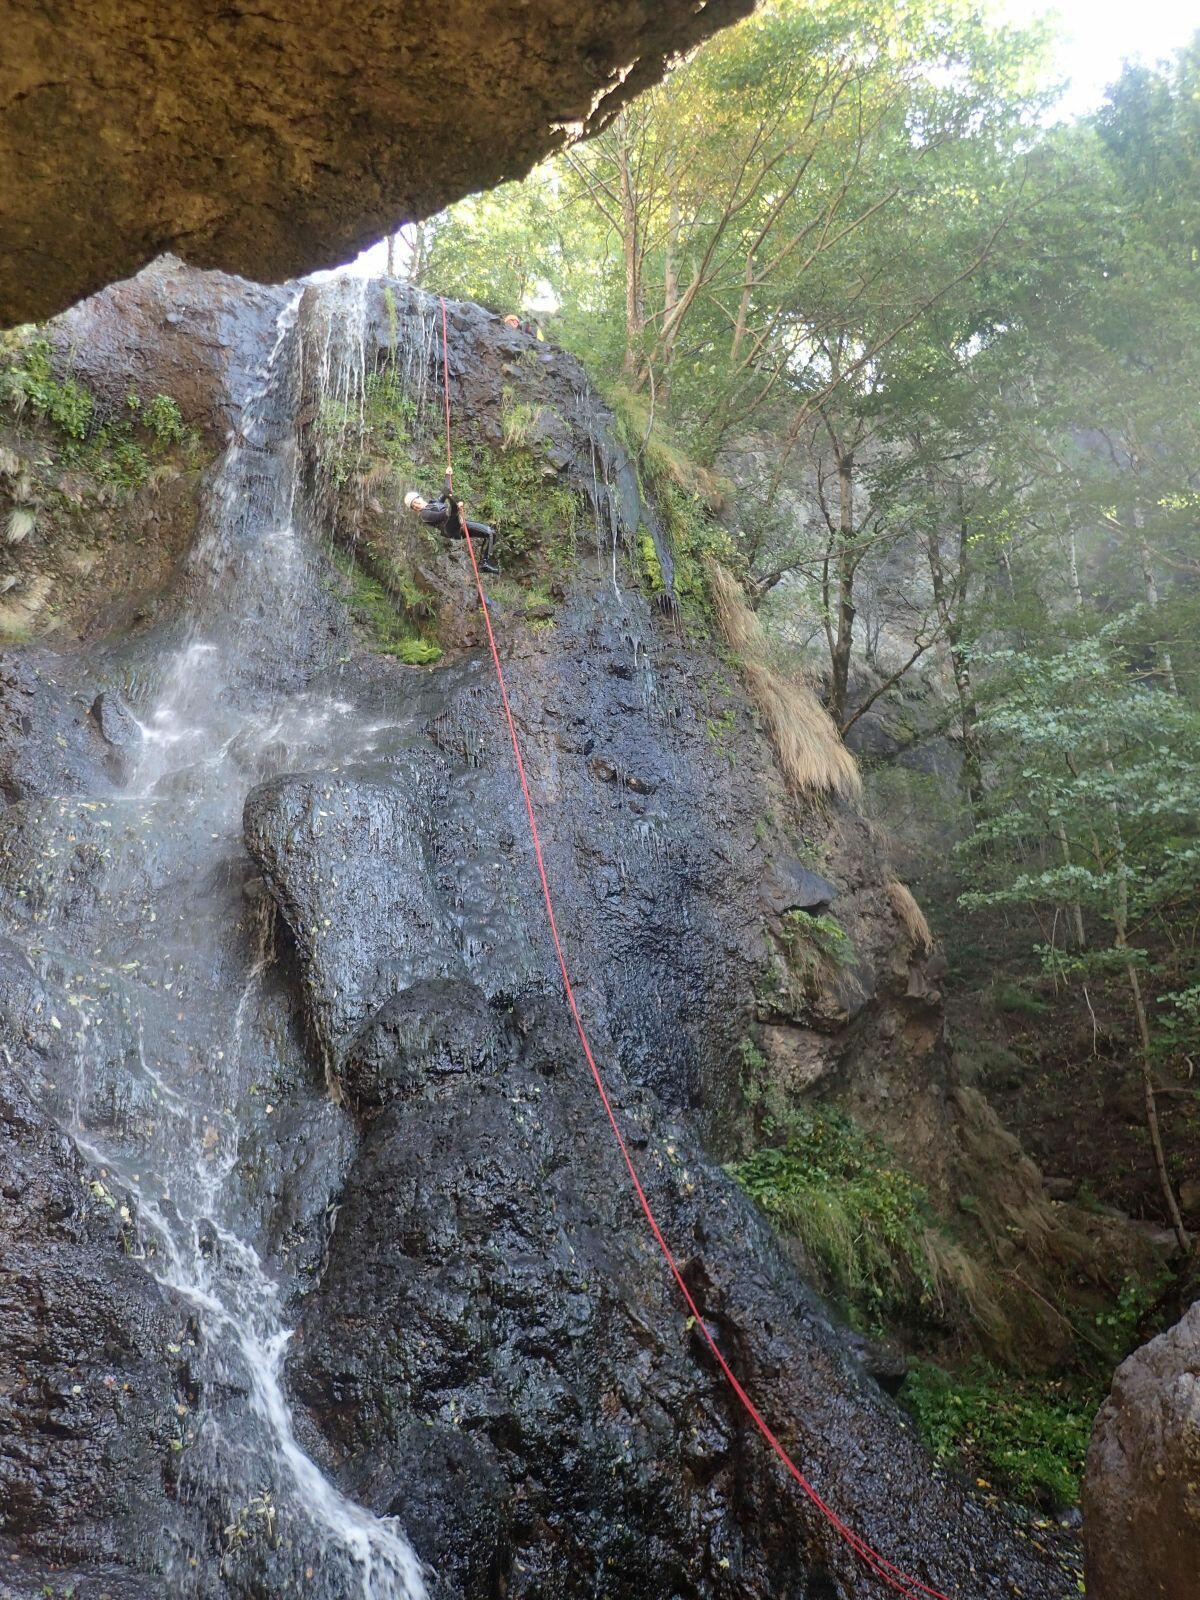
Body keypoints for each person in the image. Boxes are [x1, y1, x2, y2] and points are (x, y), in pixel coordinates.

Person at [404, 471, 499, 573]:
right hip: (450, 528)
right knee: (451, 510)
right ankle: (454, 505)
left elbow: (446, 489)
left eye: (415, 502)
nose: (416, 506)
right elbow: (441, 515)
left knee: (491, 533)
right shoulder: (424, 515)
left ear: (420, 497)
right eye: (413, 506)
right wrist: (455, 505)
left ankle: (484, 563)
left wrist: (447, 475)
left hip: (460, 524)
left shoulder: (435, 503)